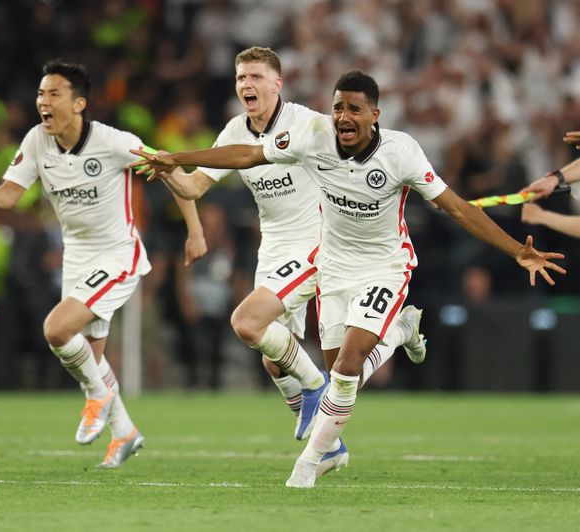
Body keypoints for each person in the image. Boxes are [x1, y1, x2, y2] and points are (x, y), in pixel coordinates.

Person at [133, 70, 564, 488]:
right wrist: (180, 158)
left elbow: (458, 208)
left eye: (354, 108)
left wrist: (516, 251)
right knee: (345, 374)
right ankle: (398, 333)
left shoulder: (402, 152)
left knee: (345, 368)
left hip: (385, 267)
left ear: (375, 114)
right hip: (334, 268)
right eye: (338, 107)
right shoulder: (312, 137)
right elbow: (247, 154)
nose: (343, 116)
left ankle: (307, 464)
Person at [143, 48, 423, 471]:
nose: (246, 85)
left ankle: (315, 390)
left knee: (248, 322)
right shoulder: (235, 128)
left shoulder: (309, 124)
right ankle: (330, 444)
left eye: (256, 76)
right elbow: (193, 188)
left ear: (278, 83)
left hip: (315, 243)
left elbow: (353, 159)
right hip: (273, 248)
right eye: (240, 78)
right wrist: (166, 169)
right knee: (273, 357)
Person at [0, 60, 206, 468]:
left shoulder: (114, 142)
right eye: (41, 94)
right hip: (77, 257)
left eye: (54, 93)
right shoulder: (35, 141)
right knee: (91, 361)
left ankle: (97, 398)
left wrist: (195, 231)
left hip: (117, 254)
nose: (43, 101)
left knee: (57, 329)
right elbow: (11, 195)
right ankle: (125, 433)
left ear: (79, 103)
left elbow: (171, 169)